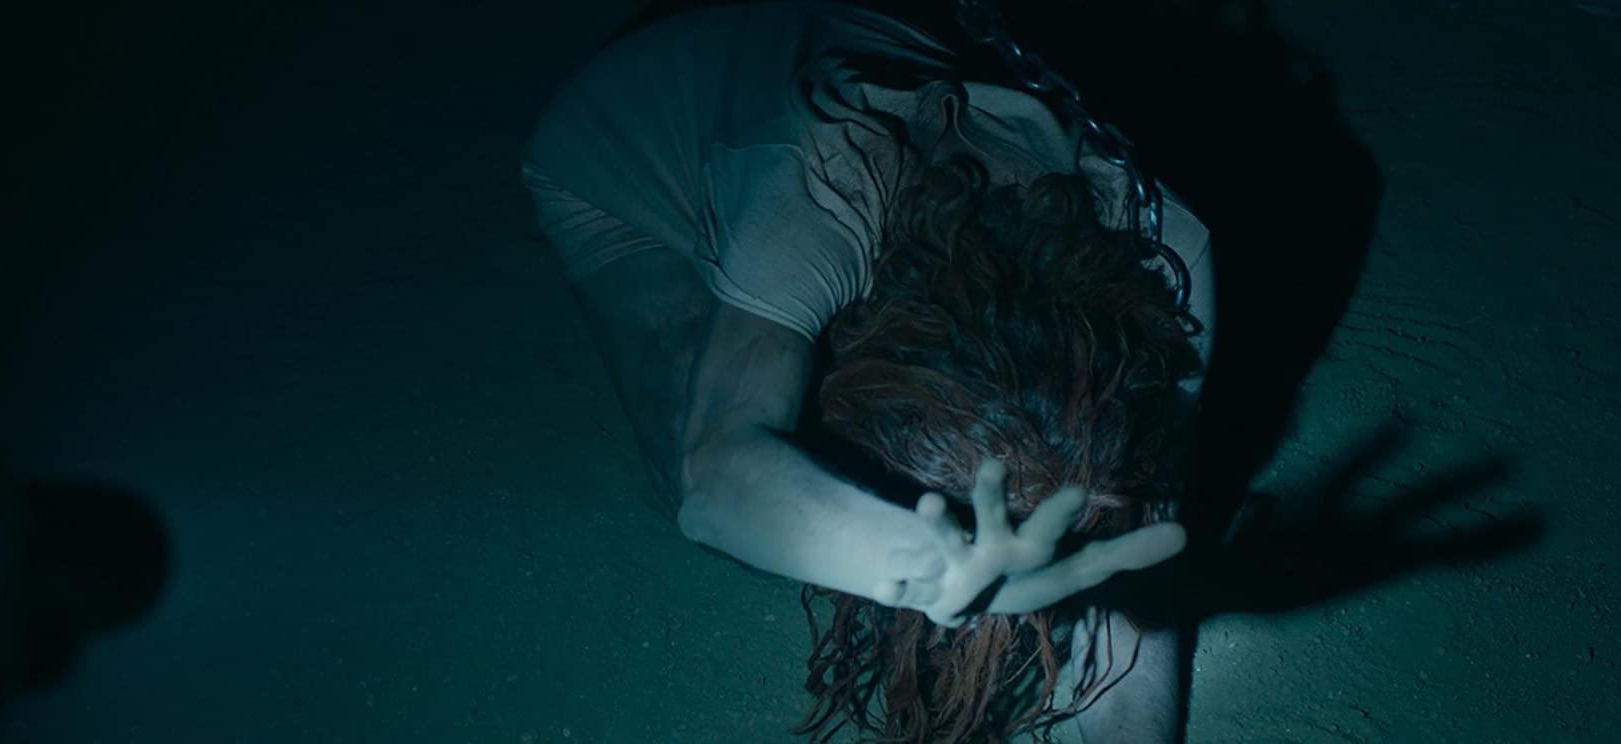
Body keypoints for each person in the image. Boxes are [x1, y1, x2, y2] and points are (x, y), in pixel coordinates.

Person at [518, 1, 1216, 740]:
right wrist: (916, 561)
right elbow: (714, 476)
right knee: (730, 499)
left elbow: (1141, 553)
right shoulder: (825, 183)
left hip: (836, 64)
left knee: (1099, 491)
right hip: (627, 142)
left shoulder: (1170, 254)